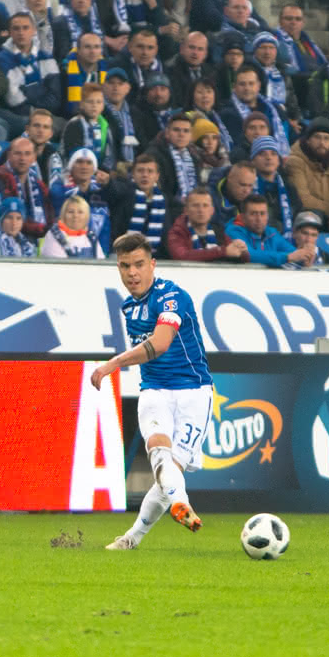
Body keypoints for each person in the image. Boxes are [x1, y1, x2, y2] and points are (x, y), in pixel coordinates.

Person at [93, 231, 211, 549]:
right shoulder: (128, 307)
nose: (132, 273)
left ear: (152, 265)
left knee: (170, 471)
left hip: (194, 391)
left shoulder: (172, 296)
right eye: (124, 266)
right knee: (159, 453)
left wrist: (113, 363)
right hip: (154, 389)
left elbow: (159, 344)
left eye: (139, 264)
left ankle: (133, 537)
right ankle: (180, 503)